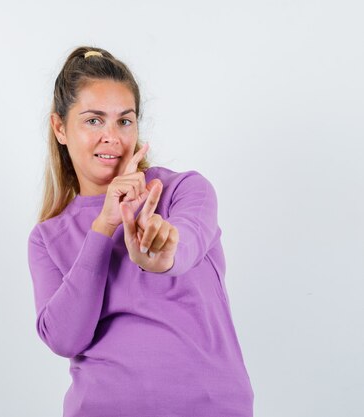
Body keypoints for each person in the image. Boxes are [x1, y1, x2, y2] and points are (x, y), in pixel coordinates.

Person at [27, 46, 254, 417]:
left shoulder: (183, 191)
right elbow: (65, 338)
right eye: (93, 120)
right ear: (59, 128)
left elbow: (187, 241)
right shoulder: (47, 237)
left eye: (125, 120)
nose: (112, 137)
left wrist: (163, 253)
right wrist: (103, 227)